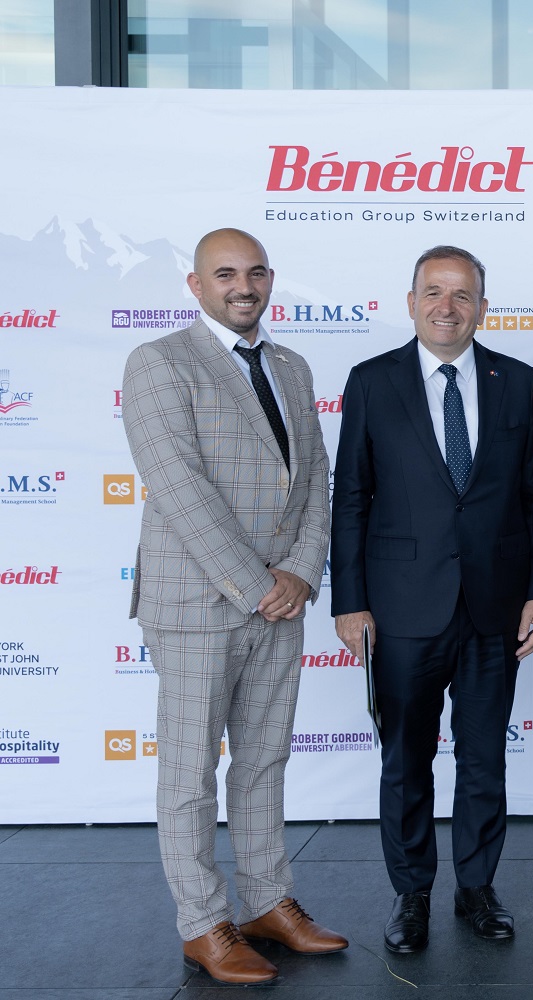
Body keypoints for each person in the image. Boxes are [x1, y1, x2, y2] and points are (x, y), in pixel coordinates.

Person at [122, 228, 345, 987]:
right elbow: (178, 487)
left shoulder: (291, 365)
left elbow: (315, 480)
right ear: (196, 285)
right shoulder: (159, 362)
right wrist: (259, 586)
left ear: (270, 279)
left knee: (264, 760)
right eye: (224, 274)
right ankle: (202, 923)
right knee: (190, 772)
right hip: (196, 602)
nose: (242, 287)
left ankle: (267, 902)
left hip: (282, 601)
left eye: (254, 273)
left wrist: (302, 574)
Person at [330, 245, 533, 953]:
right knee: (405, 762)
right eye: (433, 292)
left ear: (483, 307)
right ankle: (411, 895)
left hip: (495, 606)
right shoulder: (371, 381)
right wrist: (349, 601)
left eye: (462, 295)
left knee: (485, 760)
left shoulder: (518, 381)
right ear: (411, 302)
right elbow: (351, 498)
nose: (447, 306)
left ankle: (477, 889)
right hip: (401, 608)